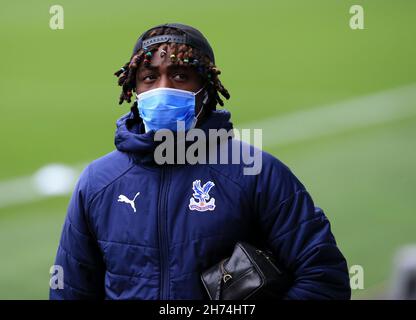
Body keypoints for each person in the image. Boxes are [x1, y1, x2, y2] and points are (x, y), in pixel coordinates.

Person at [50, 23, 351, 300]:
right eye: (149, 77)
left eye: (180, 76)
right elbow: (69, 291)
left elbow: (324, 278)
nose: (162, 89)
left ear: (205, 87)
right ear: (134, 89)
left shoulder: (255, 171)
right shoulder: (98, 182)